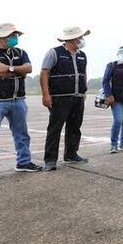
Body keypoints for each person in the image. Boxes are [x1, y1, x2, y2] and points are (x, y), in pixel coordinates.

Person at [0, 24, 42, 182]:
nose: (14, 38)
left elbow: (29, 68)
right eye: (11, 35)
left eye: (15, 35)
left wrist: (9, 69)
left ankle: (23, 162)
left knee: (22, 134)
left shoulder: (20, 52)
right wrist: (19, 71)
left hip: (17, 100)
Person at [41, 26, 90, 171]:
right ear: (73, 39)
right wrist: (46, 94)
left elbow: (83, 73)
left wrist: (84, 90)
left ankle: (71, 154)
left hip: (78, 97)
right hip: (60, 98)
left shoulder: (82, 55)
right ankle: (50, 160)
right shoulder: (54, 53)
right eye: (80, 37)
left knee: (75, 127)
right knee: (55, 128)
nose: (82, 40)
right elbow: (44, 73)